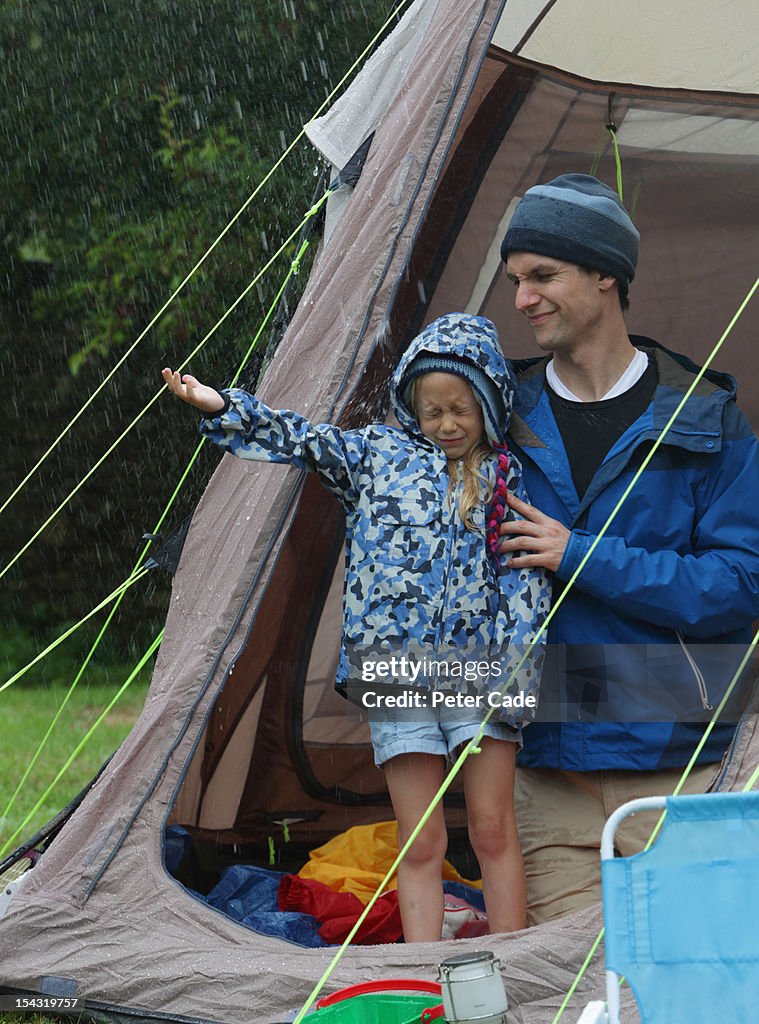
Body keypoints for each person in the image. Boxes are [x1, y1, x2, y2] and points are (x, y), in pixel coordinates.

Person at [163, 312, 550, 940]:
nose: (447, 425)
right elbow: (302, 440)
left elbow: (527, 584)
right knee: (419, 839)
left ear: (488, 404)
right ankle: (423, 977)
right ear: (410, 406)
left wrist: (517, 675)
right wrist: (223, 407)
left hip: (481, 677)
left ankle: (512, 966)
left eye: (461, 410)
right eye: (432, 412)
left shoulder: (507, 477)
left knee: (491, 829)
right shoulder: (374, 456)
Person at [496, 172, 759, 924]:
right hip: (544, 778)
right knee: (569, 998)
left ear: (606, 274)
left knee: (688, 988)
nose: (521, 299)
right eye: (516, 280)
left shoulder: (710, 418)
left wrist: (576, 553)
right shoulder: (491, 413)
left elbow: (739, 586)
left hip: (684, 774)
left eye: (542, 275)